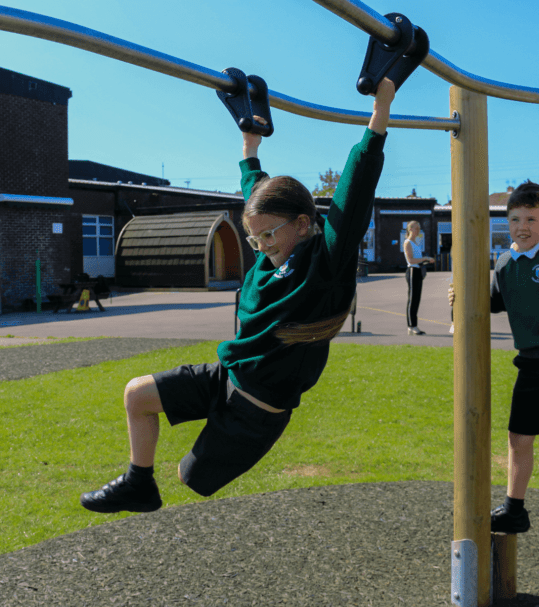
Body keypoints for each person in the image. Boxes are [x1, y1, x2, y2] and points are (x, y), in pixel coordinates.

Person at [80, 79, 397, 513]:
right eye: (254, 239)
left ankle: (166, 474)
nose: (262, 245)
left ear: (304, 224)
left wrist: (381, 108)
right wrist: (250, 142)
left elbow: (356, 187)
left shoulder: (325, 263)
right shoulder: (272, 247)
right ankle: (139, 484)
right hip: (224, 375)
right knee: (136, 395)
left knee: (188, 476)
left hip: (256, 411)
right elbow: (255, 189)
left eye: (269, 235)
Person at [448, 181, 539, 533]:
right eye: (515, 219)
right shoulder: (504, 262)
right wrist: (466, 297)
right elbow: (496, 303)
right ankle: (515, 510)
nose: (522, 227)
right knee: (518, 439)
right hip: (530, 365)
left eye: (531, 219)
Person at [403, 220, 435, 335]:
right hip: (412, 271)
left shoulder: (415, 243)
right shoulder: (407, 243)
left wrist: (426, 260)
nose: (418, 231)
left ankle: (413, 325)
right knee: (412, 299)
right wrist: (425, 258)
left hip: (418, 271)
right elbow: (411, 260)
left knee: (417, 299)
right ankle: (411, 326)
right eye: (416, 228)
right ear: (410, 229)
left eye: (419, 228)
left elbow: (418, 260)